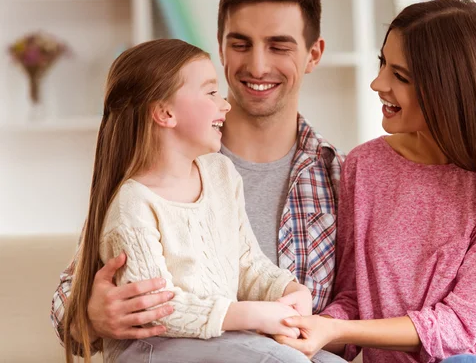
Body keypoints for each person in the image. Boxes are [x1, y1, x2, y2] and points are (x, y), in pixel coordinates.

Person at [51, 0, 476, 361]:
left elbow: (391, 302)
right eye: (240, 43)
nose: (257, 65)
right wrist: (93, 314)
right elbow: (76, 292)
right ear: (220, 48)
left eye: (280, 45)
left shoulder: (342, 173)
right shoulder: (167, 161)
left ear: (314, 54)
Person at [274, 0, 476, 363]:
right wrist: (300, 327)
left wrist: (337, 330)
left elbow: (459, 327)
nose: (378, 83)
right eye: (383, 63)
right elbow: (353, 299)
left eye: (401, 76)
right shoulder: (365, 165)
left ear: (451, 88)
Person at [63, 38, 329, 363]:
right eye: (211, 92)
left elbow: (246, 261)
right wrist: (255, 315)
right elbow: (157, 310)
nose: (225, 104)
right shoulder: (133, 203)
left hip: (220, 339)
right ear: (165, 112)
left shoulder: (220, 173)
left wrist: (289, 290)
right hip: (152, 347)